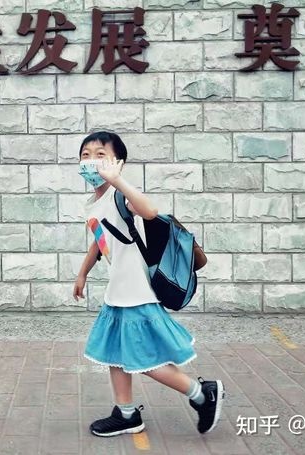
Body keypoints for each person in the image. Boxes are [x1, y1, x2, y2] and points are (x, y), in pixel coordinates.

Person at [72, 131, 225, 437]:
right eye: (85, 155)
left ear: (118, 162)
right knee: (112, 353)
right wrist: (83, 273)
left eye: (100, 155)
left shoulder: (120, 196)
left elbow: (150, 211)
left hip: (135, 294)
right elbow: (100, 242)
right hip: (118, 293)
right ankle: (127, 414)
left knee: (143, 360)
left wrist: (117, 181)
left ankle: (201, 393)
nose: (91, 161)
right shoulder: (94, 203)